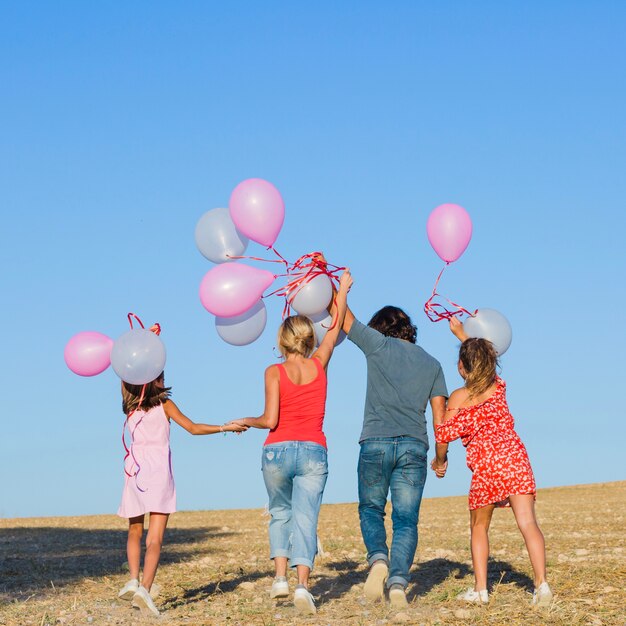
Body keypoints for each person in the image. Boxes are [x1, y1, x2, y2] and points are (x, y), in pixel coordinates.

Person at [229, 269, 352, 616]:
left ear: (283, 342)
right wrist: (340, 290)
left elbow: (269, 420)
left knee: (280, 513)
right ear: (309, 339)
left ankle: (279, 578)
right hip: (313, 449)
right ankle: (302, 586)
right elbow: (336, 322)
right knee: (306, 518)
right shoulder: (321, 363)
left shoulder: (273, 372)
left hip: (277, 450)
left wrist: (245, 421)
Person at [431, 317, 552, 607]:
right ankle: (542, 585)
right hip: (514, 458)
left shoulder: (459, 397)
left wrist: (439, 461)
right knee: (527, 522)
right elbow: (481, 359)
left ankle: (481, 590)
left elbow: (443, 435)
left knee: (478, 527)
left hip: (487, 467)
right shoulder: (498, 388)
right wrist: (462, 334)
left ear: (460, 367)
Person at [340, 299, 448, 609]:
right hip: (415, 445)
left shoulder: (378, 345)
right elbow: (441, 416)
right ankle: (399, 584)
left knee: (371, 509)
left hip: (375, 441)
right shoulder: (432, 363)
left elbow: (344, 317)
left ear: (381, 328)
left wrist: (339, 286)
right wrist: (441, 457)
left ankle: (378, 561)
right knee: (406, 521)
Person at [117, 372, 247, 616]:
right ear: (153, 380)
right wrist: (224, 427)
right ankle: (144, 589)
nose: (165, 381)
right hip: (158, 474)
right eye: (161, 377)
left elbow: (125, 373)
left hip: (134, 472)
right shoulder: (164, 405)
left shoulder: (129, 406)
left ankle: (133, 580)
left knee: (134, 529)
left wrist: (145, 346)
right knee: (154, 538)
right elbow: (193, 428)